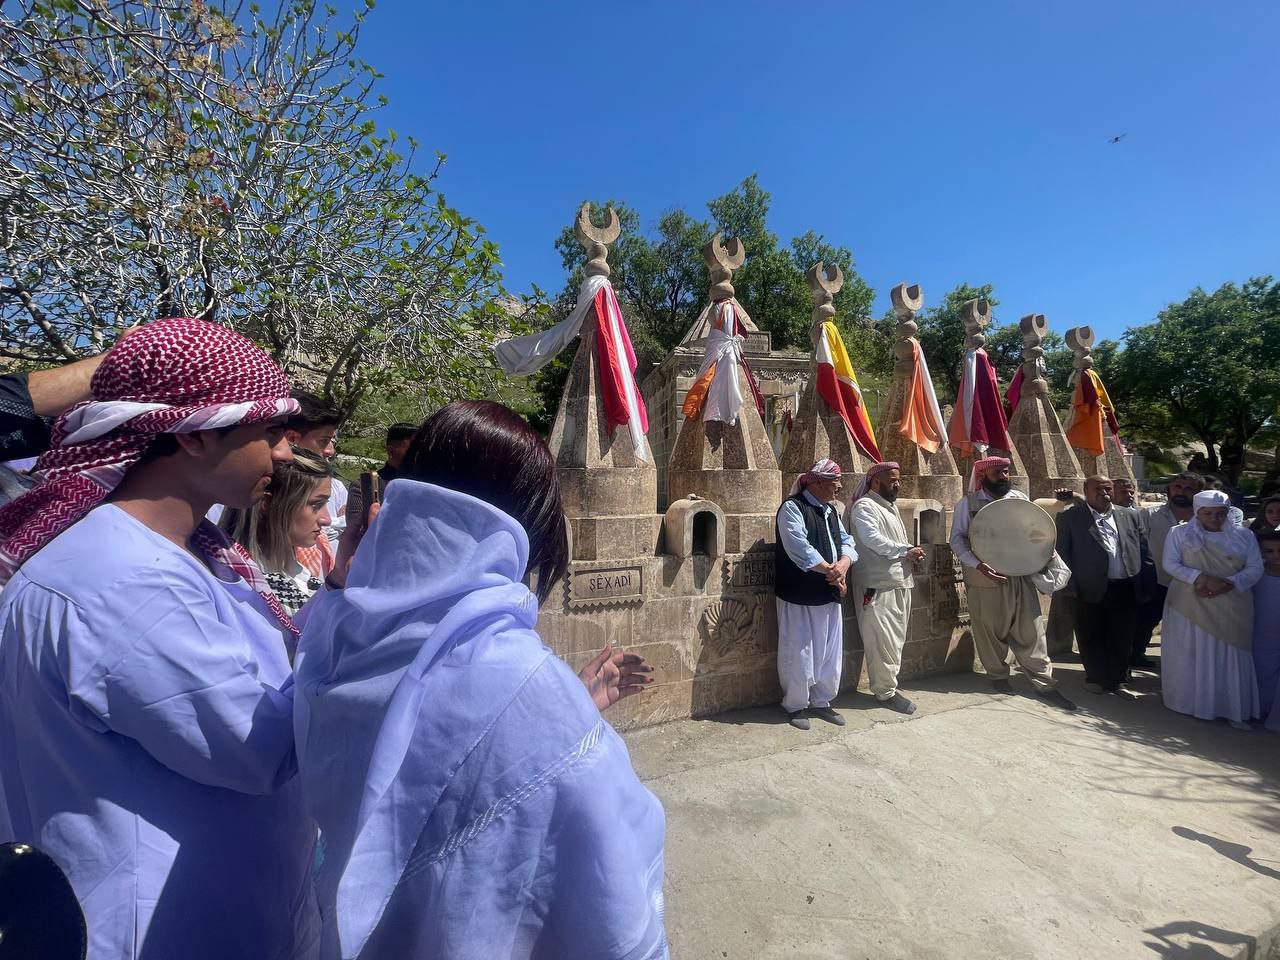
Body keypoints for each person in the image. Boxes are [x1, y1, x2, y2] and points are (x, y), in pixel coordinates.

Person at [294, 400, 668, 959]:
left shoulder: (336, 634)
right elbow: (611, 896)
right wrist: (560, 714)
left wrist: (569, 705)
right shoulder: (523, 682)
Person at [0, 318, 322, 959]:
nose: (285, 454)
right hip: (157, 933)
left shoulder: (182, 554)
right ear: (194, 435)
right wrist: (355, 622)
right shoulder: (123, 580)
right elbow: (259, 748)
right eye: (267, 432)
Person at [949, 456, 1076, 710]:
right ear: (983, 476)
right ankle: (998, 676)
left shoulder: (1019, 499)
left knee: (1032, 632)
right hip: (985, 578)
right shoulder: (968, 504)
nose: (1003, 476)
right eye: (997, 472)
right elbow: (957, 540)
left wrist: (1043, 554)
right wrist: (978, 565)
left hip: (1021, 574)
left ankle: (1044, 683)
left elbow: (1034, 531)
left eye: (1006, 471)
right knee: (989, 631)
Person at [1161, 490, 1263, 728]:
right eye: (1208, 513)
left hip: (1232, 604)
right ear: (1198, 512)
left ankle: (1231, 708)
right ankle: (1189, 703)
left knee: (1231, 653)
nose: (1214, 519)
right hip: (1189, 603)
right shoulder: (1179, 533)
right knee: (1192, 652)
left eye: (1220, 513)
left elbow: (1255, 568)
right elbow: (1170, 563)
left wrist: (1229, 583)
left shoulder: (1244, 536)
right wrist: (1201, 578)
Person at [774, 458, 857, 730]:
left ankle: (822, 701)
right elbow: (799, 547)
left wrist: (843, 564)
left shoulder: (830, 511)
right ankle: (796, 704)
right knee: (799, 652)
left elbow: (846, 541)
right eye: (835, 482)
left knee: (830, 653)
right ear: (817, 482)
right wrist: (830, 570)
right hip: (799, 593)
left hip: (828, 593)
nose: (839, 487)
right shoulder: (792, 508)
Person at [1055, 476, 1150, 698]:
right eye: (1097, 489)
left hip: (1125, 586)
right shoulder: (1070, 517)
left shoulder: (1130, 515)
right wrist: (1068, 585)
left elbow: (1144, 549)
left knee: (1123, 636)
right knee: (1091, 634)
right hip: (1088, 587)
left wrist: (1145, 582)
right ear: (1086, 491)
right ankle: (1095, 678)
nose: (1103, 493)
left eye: (1107, 489)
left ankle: (1118, 680)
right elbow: (1062, 553)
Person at [220, 446, 335, 617]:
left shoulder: (296, 573)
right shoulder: (247, 589)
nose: (327, 519)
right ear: (267, 503)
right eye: (316, 504)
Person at [848, 461, 925, 715]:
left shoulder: (889, 507)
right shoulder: (865, 507)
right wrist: (905, 551)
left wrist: (910, 554)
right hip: (876, 587)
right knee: (882, 642)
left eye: (898, 480)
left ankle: (889, 686)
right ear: (875, 481)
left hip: (899, 583)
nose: (897, 484)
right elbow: (872, 539)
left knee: (895, 641)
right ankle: (885, 692)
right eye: (892, 480)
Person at [1136, 472, 1205, 670]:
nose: (1181, 492)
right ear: (1169, 489)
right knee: (1145, 622)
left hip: (1193, 583)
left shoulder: (1204, 518)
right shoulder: (1149, 515)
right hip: (1157, 580)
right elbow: (1140, 546)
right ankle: (1136, 655)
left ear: (1198, 493)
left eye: (1188, 488)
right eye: (1177, 487)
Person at [286, 390, 348, 545]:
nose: (330, 451)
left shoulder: (336, 487)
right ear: (292, 438)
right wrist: (340, 522)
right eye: (323, 441)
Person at [344, 420, 417, 522]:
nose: (419, 453)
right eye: (413, 449)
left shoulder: (425, 485)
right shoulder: (363, 487)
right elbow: (357, 528)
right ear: (391, 450)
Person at [1253, 530, 1280, 727]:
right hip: (1261, 633)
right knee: (1263, 672)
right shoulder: (1255, 575)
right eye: (1269, 551)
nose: (1276, 556)